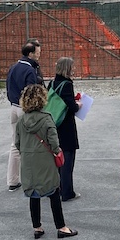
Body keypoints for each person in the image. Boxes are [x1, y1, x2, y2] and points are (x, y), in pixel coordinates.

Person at [13, 83, 77, 239]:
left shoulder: (21, 121)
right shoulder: (47, 118)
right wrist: (57, 152)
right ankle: (61, 227)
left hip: (28, 161)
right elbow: (54, 143)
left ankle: (37, 227)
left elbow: (17, 143)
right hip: (45, 161)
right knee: (54, 192)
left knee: (34, 194)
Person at [5, 40, 42, 191]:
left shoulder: (13, 67)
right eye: (38, 53)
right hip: (25, 110)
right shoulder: (30, 71)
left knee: (16, 145)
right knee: (32, 145)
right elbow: (32, 94)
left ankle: (12, 180)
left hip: (13, 108)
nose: (39, 56)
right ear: (30, 54)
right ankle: (33, 180)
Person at [49, 56, 81, 201]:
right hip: (66, 126)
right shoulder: (67, 84)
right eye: (72, 67)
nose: (73, 70)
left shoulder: (51, 83)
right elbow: (72, 107)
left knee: (56, 158)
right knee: (67, 160)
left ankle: (56, 188)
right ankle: (67, 192)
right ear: (67, 68)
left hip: (53, 124)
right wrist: (78, 105)